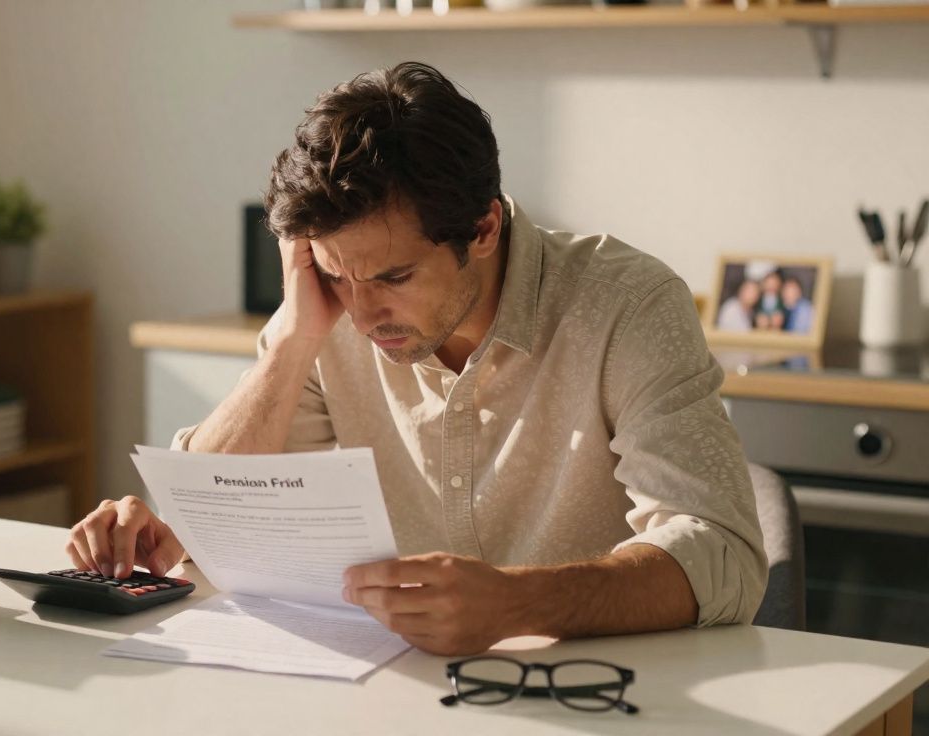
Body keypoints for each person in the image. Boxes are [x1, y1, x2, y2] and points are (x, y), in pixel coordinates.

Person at [68, 62, 766, 656]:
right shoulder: (327, 310)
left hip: (599, 696)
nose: (362, 314)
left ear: (483, 227)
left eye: (394, 277)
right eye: (338, 275)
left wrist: (518, 602)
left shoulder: (627, 305)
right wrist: (292, 339)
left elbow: (723, 554)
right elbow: (208, 523)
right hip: (392, 694)